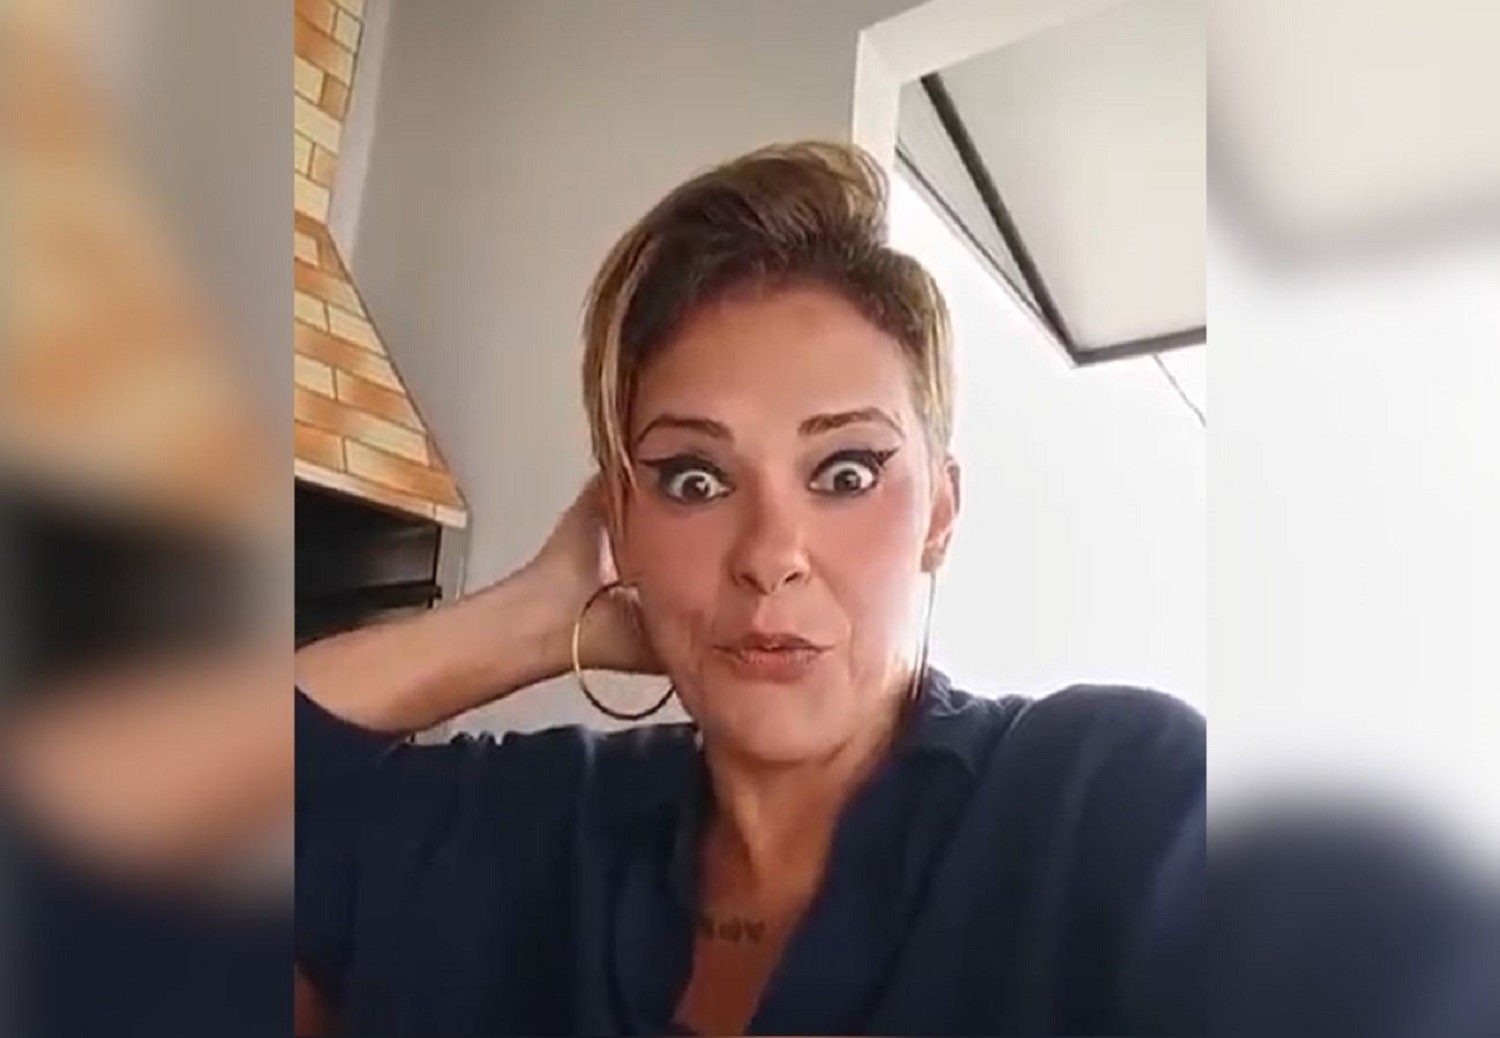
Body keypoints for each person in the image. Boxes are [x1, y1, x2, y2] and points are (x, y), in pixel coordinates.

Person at [293, 141, 1204, 1036]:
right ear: (621, 522)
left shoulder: (1114, 799)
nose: (770, 555)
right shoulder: (543, 824)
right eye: (695, 480)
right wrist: (534, 616)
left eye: (846, 472)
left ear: (939, 511)